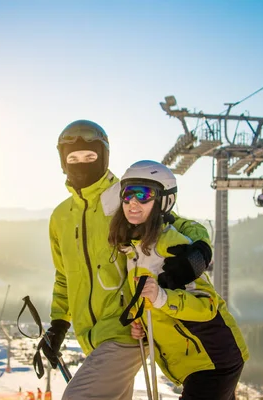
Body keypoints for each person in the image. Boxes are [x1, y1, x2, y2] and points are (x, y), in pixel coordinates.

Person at [41, 120, 213, 400]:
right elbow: (64, 275)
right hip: (90, 336)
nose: (81, 164)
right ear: (62, 162)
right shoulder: (61, 216)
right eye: (72, 158)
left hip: (127, 329)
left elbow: (176, 222)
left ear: (104, 156)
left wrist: (201, 248)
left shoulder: (123, 195)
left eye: (90, 157)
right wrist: (59, 324)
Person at [108, 160, 249, 400]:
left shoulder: (170, 244)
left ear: (164, 200)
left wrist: (161, 298)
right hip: (194, 362)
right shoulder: (131, 248)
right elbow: (153, 297)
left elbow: (207, 306)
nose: (132, 202)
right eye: (128, 193)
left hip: (213, 358)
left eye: (143, 194)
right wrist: (142, 322)